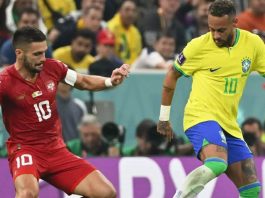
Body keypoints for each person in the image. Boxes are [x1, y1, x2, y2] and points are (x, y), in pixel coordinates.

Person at [2, 26, 129, 198]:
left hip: (56, 150)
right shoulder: (5, 81)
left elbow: (83, 81)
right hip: (25, 150)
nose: (43, 59)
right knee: (27, 194)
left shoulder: (52, 67)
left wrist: (110, 81)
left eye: (44, 52)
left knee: (106, 192)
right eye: (36, 54)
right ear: (19, 53)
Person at [157, 0, 264, 197]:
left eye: (221, 30)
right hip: (200, 116)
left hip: (229, 124)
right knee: (216, 163)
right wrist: (164, 117)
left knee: (252, 190)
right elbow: (172, 75)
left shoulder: (253, 44)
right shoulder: (198, 46)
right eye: (211, 29)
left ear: (235, 22)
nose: (215, 35)